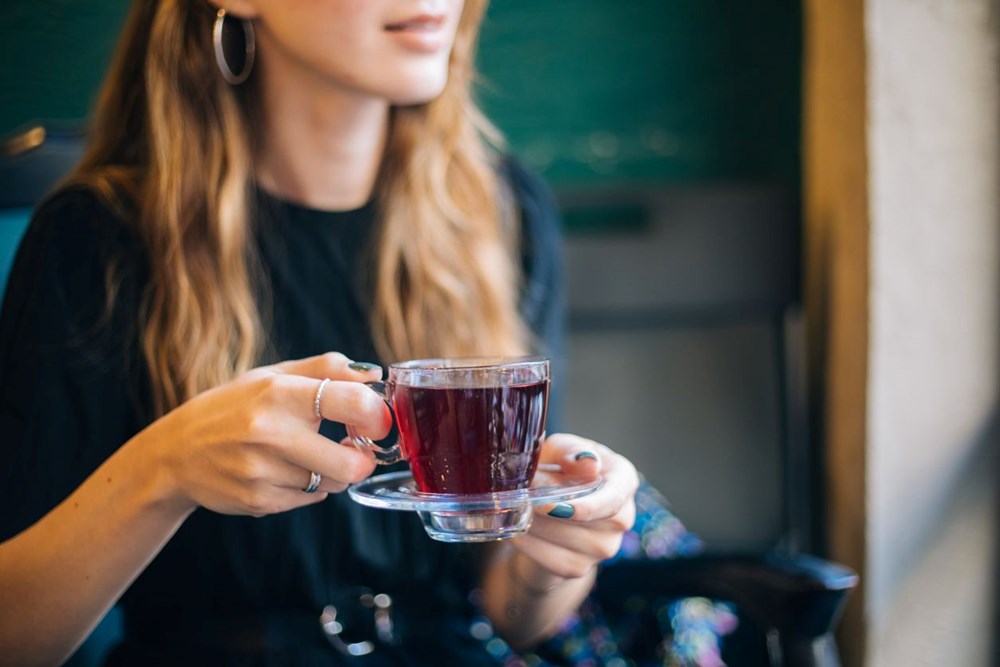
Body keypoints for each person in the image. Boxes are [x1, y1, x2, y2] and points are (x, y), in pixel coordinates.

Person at [0, 1, 639, 664]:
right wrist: (165, 470)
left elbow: (514, 618)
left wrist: (555, 559)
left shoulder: (507, 214)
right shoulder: (97, 239)